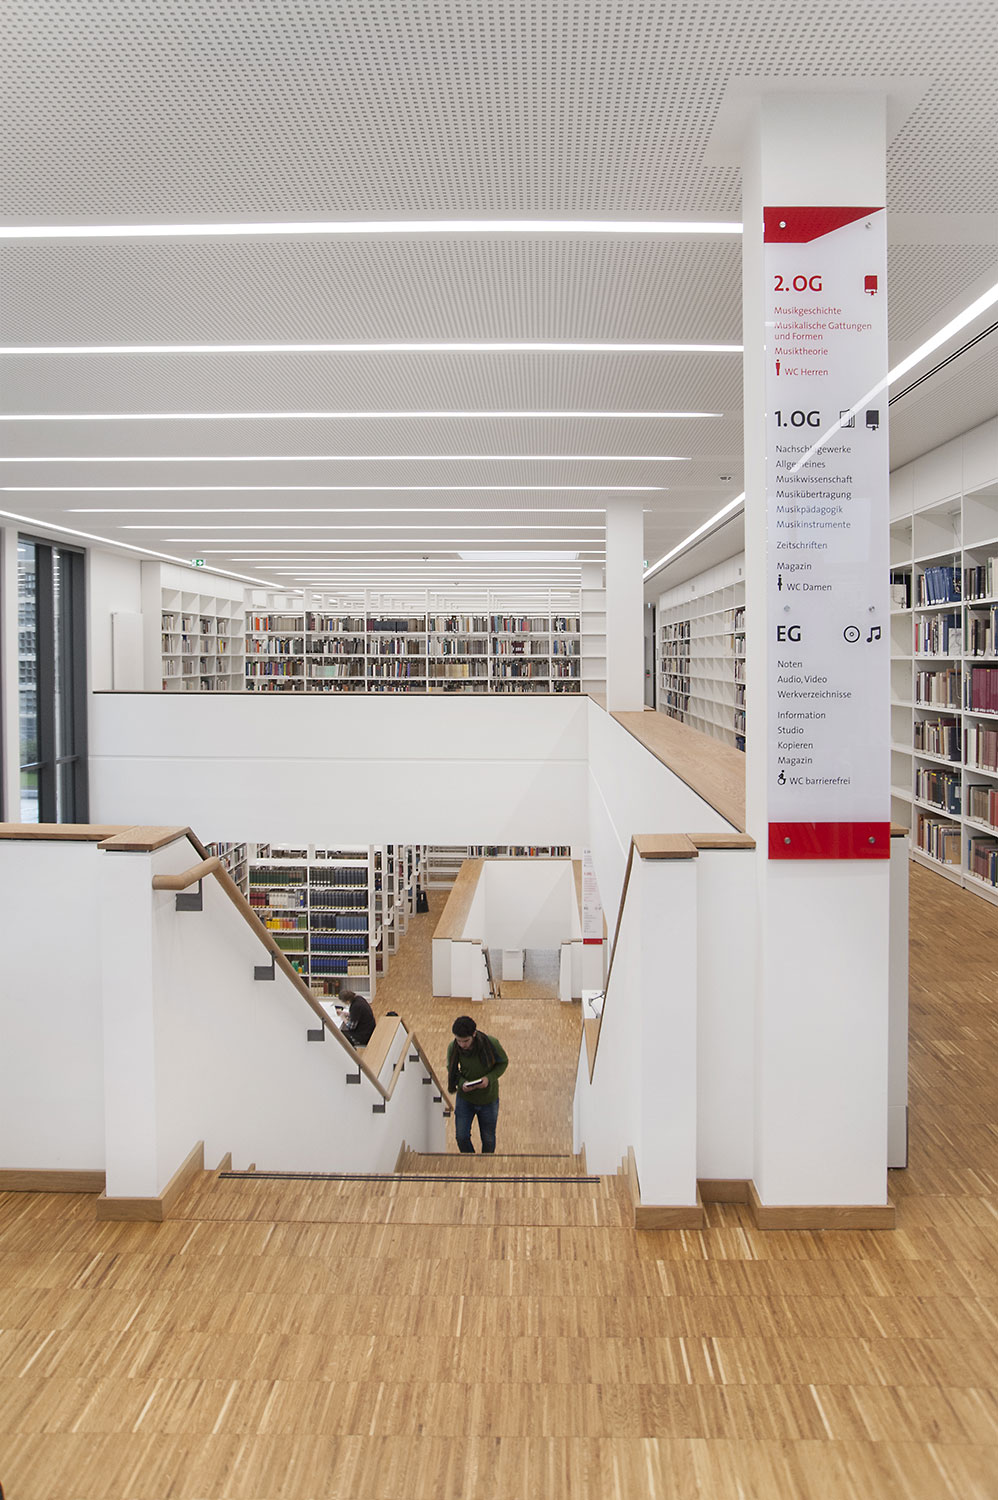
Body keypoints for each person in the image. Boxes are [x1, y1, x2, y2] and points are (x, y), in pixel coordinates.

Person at [446, 1016, 509, 1154]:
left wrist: (489, 1078)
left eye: (465, 1041)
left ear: (474, 1034)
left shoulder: (491, 1043)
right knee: (461, 1137)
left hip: (488, 1099)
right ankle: (472, 1161)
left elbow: (503, 1062)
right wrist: (461, 1083)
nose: (462, 1045)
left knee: (488, 1139)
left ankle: (486, 1163)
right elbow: (452, 1070)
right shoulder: (453, 1048)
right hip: (465, 1099)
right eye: (458, 1040)